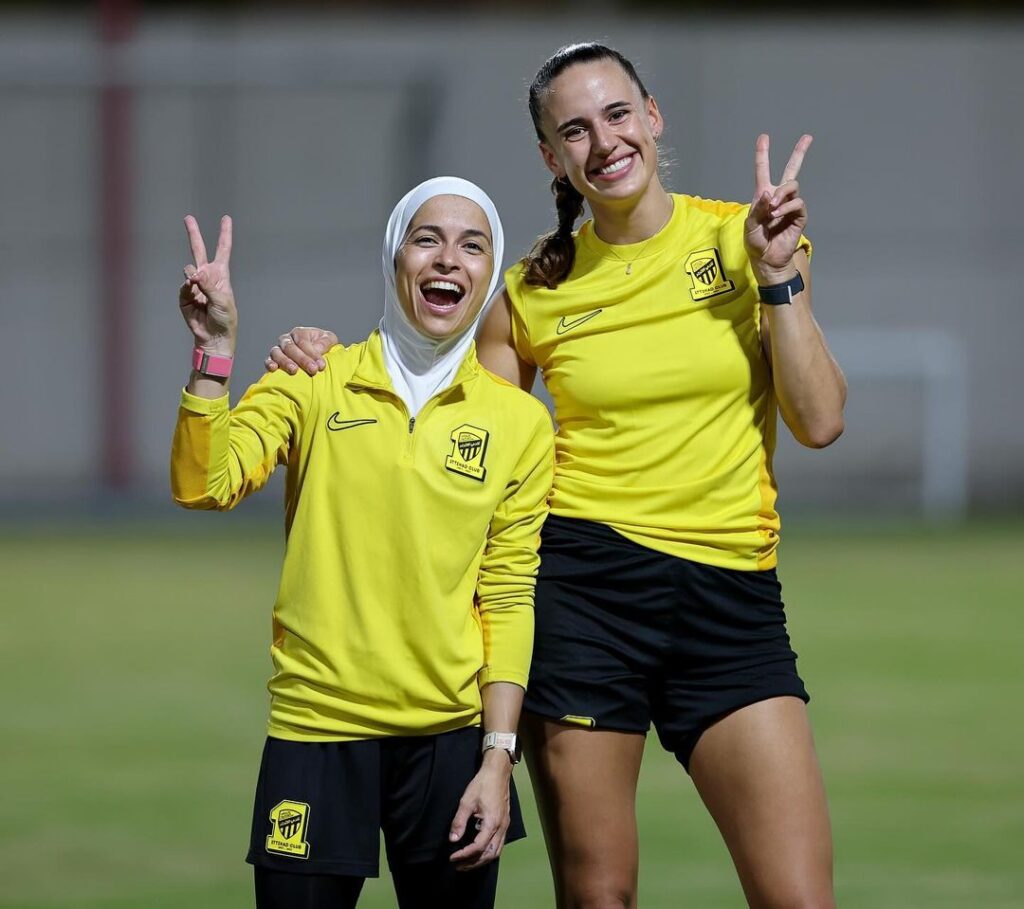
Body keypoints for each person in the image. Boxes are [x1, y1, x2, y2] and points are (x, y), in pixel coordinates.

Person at [267, 43, 847, 909]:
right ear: (551, 157)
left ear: (653, 117)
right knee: (599, 895)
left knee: (798, 897)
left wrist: (775, 279)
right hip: (582, 600)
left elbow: (820, 420)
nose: (602, 140)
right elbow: (461, 461)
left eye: (617, 114)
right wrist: (323, 363)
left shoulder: (746, 237)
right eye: (573, 129)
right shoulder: (528, 290)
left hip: (731, 605)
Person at [170, 177, 555, 909]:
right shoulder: (313, 379)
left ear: (490, 270)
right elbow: (204, 484)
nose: (449, 259)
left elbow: (507, 594)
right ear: (394, 256)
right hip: (315, 728)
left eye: (473, 245)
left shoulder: (519, 423)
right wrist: (215, 352)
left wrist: (499, 757)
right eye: (427, 238)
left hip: (449, 743)